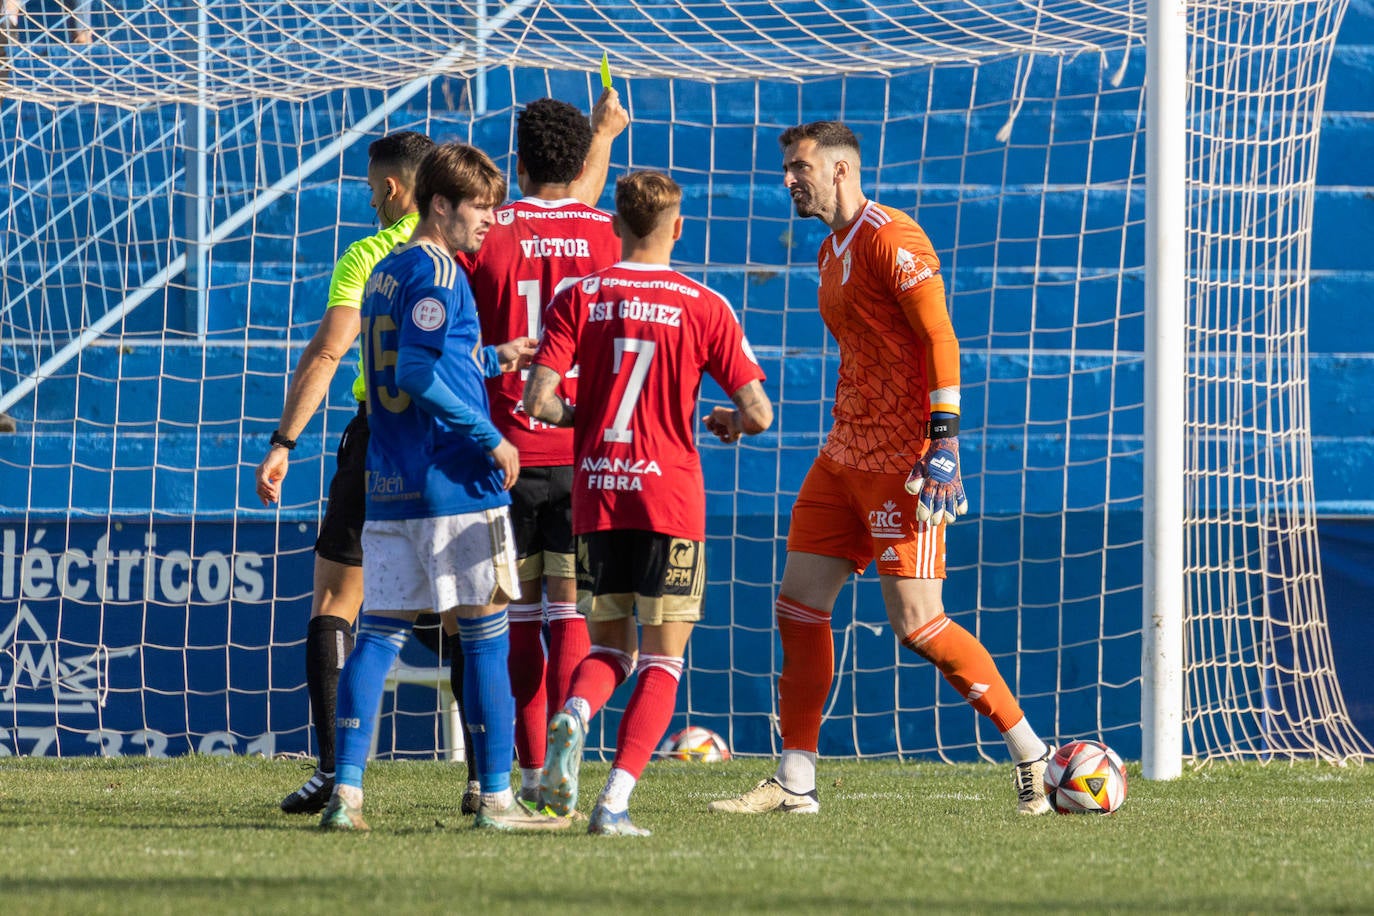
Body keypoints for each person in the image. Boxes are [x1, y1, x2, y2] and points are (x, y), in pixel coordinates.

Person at [706, 121, 1053, 817]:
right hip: (842, 456)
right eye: (786, 168)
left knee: (919, 626)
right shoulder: (828, 251)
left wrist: (944, 442)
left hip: (903, 463)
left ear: (839, 170)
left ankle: (1034, 758)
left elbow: (939, 336)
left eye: (799, 167)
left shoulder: (892, 237)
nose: (788, 180)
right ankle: (795, 782)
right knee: (798, 607)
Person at [318, 140, 564, 832]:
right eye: (477, 209)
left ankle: (348, 795)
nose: (489, 221)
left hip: (390, 486)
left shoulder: (385, 271)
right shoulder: (441, 273)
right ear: (440, 206)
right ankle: (495, 798)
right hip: (454, 485)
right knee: (487, 638)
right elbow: (418, 376)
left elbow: (425, 358)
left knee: (379, 637)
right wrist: (492, 436)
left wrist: (493, 357)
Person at [523, 170, 774, 836]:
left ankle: (573, 715)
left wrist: (585, 415)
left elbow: (536, 401)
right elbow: (760, 412)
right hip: (668, 498)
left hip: (597, 496)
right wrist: (729, 423)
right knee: (662, 660)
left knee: (608, 651)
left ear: (614, 226)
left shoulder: (581, 294)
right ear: (678, 226)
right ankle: (612, 804)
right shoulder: (704, 304)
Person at [255, 131, 456, 815]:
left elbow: (330, 350)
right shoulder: (463, 246)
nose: (369, 198)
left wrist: (285, 438)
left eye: (372, 187)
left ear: (394, 188)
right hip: (452, 438)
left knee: (338, 602)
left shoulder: (370, 255)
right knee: (468, 610)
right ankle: (491, 779)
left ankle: (338, 772)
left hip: (379, 437)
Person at [460, 95, 624, 808]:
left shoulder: (486, 234)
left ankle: (524, 777)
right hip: (585, 450)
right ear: (581, 161)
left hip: (507, 449)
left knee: (514, 617)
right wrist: (609, 138)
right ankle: (569, 761)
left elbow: (457, 346)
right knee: (572, 613)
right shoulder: (610, 235)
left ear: (516, 164)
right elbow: (577, 219)